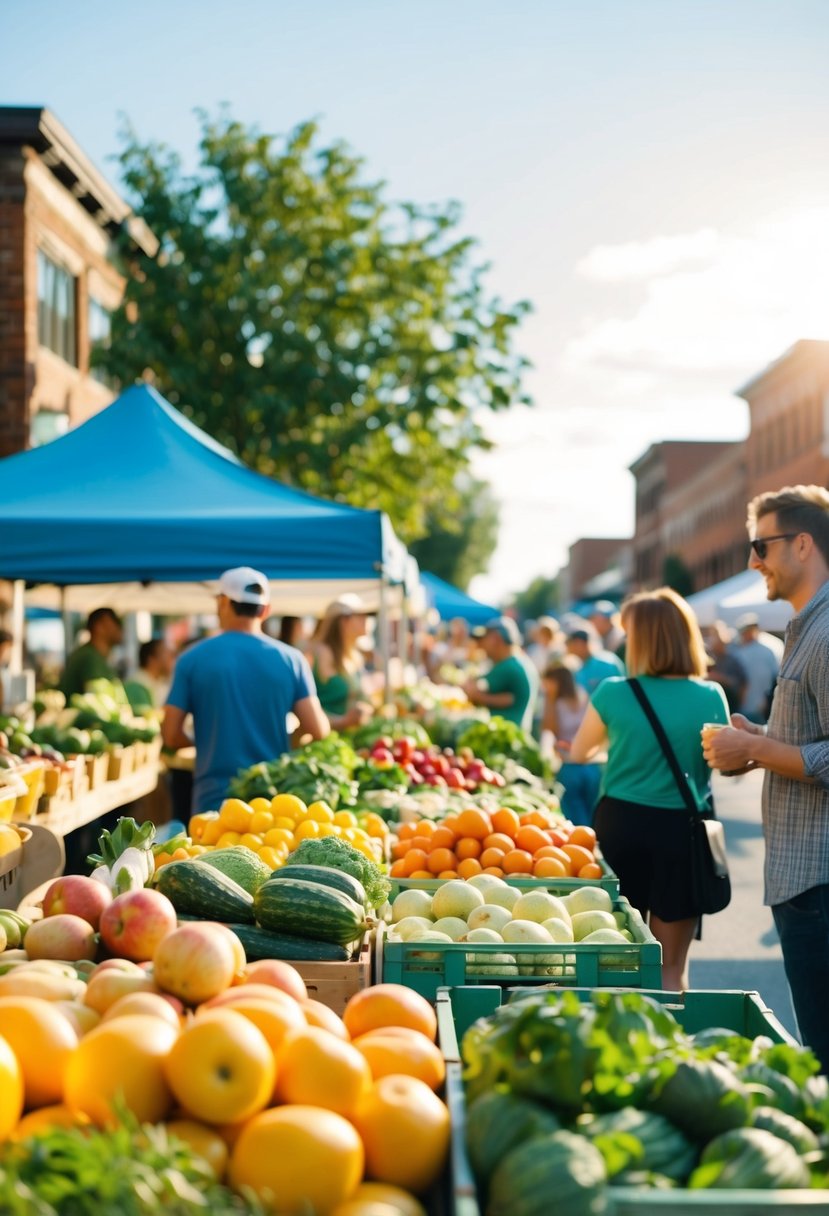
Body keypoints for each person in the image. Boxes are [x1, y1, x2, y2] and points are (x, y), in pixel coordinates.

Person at [703, 485, 829, 1072]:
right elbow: (810, 743)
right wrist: (755, 745)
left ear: (802, 545)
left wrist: (753, 746)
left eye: (761, 545)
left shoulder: (826, 633)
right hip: (802, 877)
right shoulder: (806, 628)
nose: (752, 561)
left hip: (818, 880)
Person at [570, 587, 729, 990]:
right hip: (682, 830)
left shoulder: (613, 691)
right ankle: (668, 1044)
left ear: (638, 639)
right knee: (670, 966)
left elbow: (579, 752)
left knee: (614, 950)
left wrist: (624, 750)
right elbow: (722, 764)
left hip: (621, 824)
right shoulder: (710, 695)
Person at [162, 567, 329, 813]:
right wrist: (286, 743)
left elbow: (170, 734)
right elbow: (318, 729)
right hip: (272, 802)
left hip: (214, 802)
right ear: (266, 610)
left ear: (223, 603)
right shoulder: (292, 660)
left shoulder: (191, 659)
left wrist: (209, 744)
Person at [541, 662, 602, 825]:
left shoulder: (557, 702)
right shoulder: (583, 695)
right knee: (593, 812)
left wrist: (549, 699)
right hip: (592, 764)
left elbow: (549, 728)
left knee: (576, 818)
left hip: (570, 764)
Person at [307, 594, 374, 731]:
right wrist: (343, 721)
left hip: (346, 739)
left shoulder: (354, 655)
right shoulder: (320, 653)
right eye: (360, 616)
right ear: (343, 621)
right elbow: (304, 710)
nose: (366, 620)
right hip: (324, 742)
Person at [463, 616, 539, 733]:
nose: (481, 645)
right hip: (516, 734)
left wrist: (476, 695)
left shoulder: (508, 666)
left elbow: (472, 690)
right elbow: (510, 698)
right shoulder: (523, 662)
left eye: (484, 639)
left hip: (506, 736)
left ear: (495, 639)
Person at [59, 607, 124, 699]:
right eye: (115, 621)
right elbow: (99, 697)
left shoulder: (97, 656)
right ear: (99, 626)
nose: (120, 627)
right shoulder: (89, 657)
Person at [731, 612, 783, 723]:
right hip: (747, 706)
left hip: (761, 706)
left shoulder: (767, 649)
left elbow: (776, 677)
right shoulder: (739, 651)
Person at [703, 620, 747, 713]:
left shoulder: (733, 659)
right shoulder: (707, 657)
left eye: (716, 635)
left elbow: (743, 683)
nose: (713, 639)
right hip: (711, 704)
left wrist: (721, 678)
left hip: (730, 704)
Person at [565, 626, 625, 695]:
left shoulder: (606, 663)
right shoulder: (579, 668)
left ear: (580, 643)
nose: (567, 647)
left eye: (570, 643)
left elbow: (618, 690)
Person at [124, 638, 175, 711]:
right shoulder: (136, 686)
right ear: (151, 659)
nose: (172, 659)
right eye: (166, 653)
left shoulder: (162, 683)